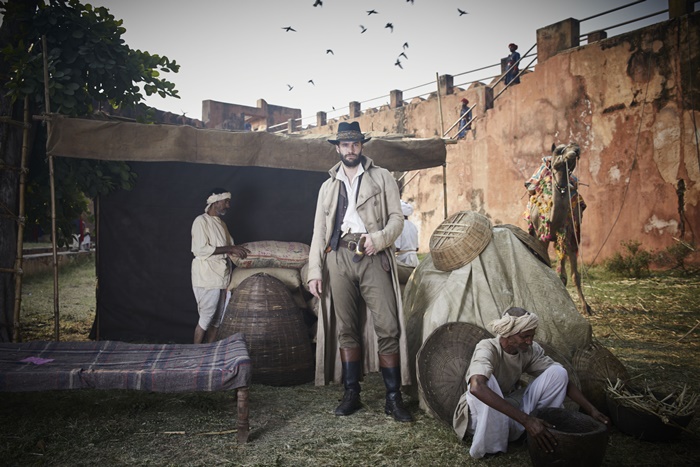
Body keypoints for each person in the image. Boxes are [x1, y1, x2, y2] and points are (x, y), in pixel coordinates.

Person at [307, 121, 412, 422]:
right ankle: (352, 393)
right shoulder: (327, 187)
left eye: (355, 144)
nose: (350, 149)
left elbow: (396, 219)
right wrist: (315, 271)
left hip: (372, 254)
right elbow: (318, 232)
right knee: (346, 328)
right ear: (337, 148)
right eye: (345, 144)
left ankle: (393, 398)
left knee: (388, 326)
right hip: (337, 257)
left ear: (362, 146)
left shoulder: (382, 177)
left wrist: (377, 240)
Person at [453, 307, 609, 458]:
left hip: (508, 407)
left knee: (558, 372)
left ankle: (540, 431)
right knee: (487, 383)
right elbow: (476, 388)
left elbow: (561, 379)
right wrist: (526, 420)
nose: (529, 341)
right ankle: (492, 444)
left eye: (531, 336)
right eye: (524, 336)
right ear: (508, 333)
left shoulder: (528, 350)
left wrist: (591, 409)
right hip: (479, 416)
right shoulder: (487, 348)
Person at [191, 188, 249, 344]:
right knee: (206, 317)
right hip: (206, 275)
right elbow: (199, 249)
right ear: (215, 201)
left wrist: (240, 249)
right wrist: (230, 249)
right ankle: (196, 352)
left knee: (218, 320)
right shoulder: (201, 221)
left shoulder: (221, 223)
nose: (228, 206)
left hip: (222, 275)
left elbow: (231, 245)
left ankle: (209, 353)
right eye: (226, 202)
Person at [394, 200, 419, 267]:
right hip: (415, 260)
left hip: (404, 261)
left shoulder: (398, 226)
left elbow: (396, 248)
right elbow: (417, 248)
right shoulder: (413, 226)